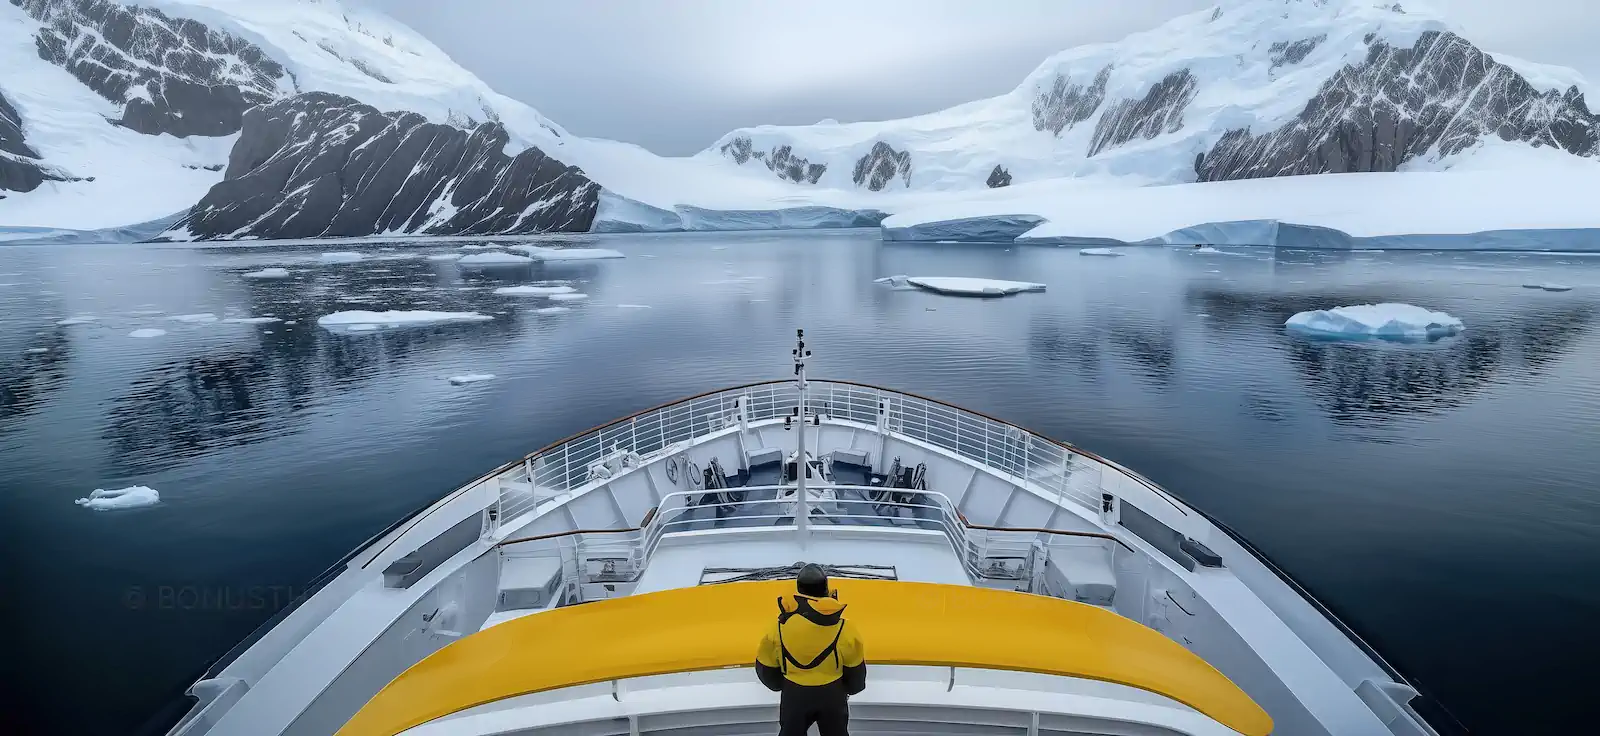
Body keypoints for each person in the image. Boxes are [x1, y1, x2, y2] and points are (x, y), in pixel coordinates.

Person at [755, 563, 866, 736]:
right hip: (833, 695)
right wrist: (849, 689)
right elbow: (856, 674)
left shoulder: (777, 628)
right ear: (826, 590)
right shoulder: (845, 628)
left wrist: (781, 684)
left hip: (794, 694)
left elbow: (766, 670)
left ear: (799, 591)